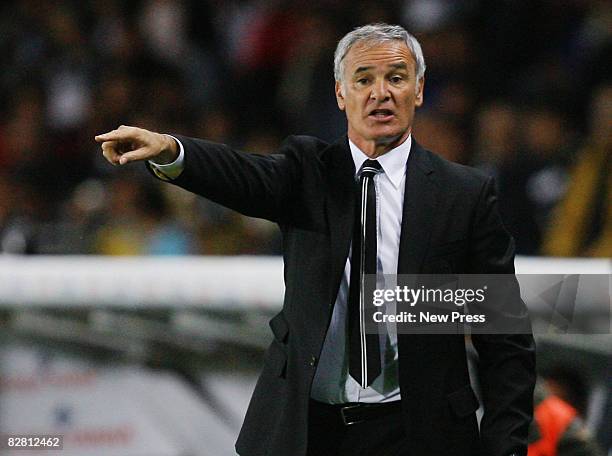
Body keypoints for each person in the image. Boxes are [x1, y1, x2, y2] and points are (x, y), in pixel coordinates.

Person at [95, 23, 535, 456]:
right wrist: (174, 151)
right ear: (341, 94)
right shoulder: (308, 171)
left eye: (396, 78)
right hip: (308, 432)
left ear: (418, 91)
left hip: (417, 433)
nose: (380, 92)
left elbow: (503, 335)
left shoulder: (465, 194)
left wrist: (507, 446)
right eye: (363, 79)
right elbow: (243, 176)